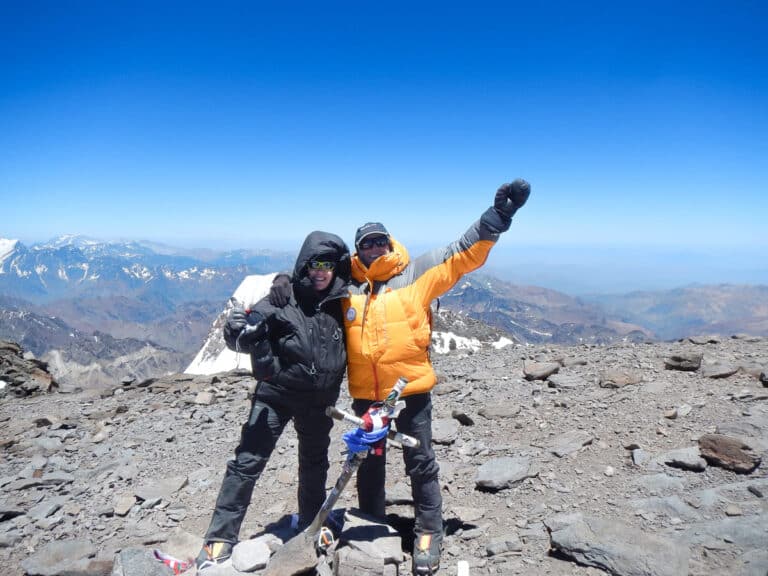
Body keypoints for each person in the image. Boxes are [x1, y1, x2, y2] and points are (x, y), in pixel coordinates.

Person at [270, 180, 531, 574]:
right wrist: (283, 282)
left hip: (409, 393)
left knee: (420, 460)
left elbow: (461, 254)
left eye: (380, 242)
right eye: (366, 244)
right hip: (365, 398)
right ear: (358, 251)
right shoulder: (348, 285)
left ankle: (429, 529)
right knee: (368, 463)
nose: (374, 249)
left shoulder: (417, 274)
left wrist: (498, 218)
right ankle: (374, 525)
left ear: (390, 245)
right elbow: (312, 281)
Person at [196, 231, 351, 571]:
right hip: (276, 395)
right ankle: (220, 538)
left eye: (328, 264)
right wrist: (235, 329)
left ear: (337, 267)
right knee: (248, 462)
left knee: (314, 463)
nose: (321, 271)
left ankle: (311, 524)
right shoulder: (282, 298)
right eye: (314, 264)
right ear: (304, 266)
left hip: (318, 401)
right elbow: (245, 333)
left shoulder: (345, 301)